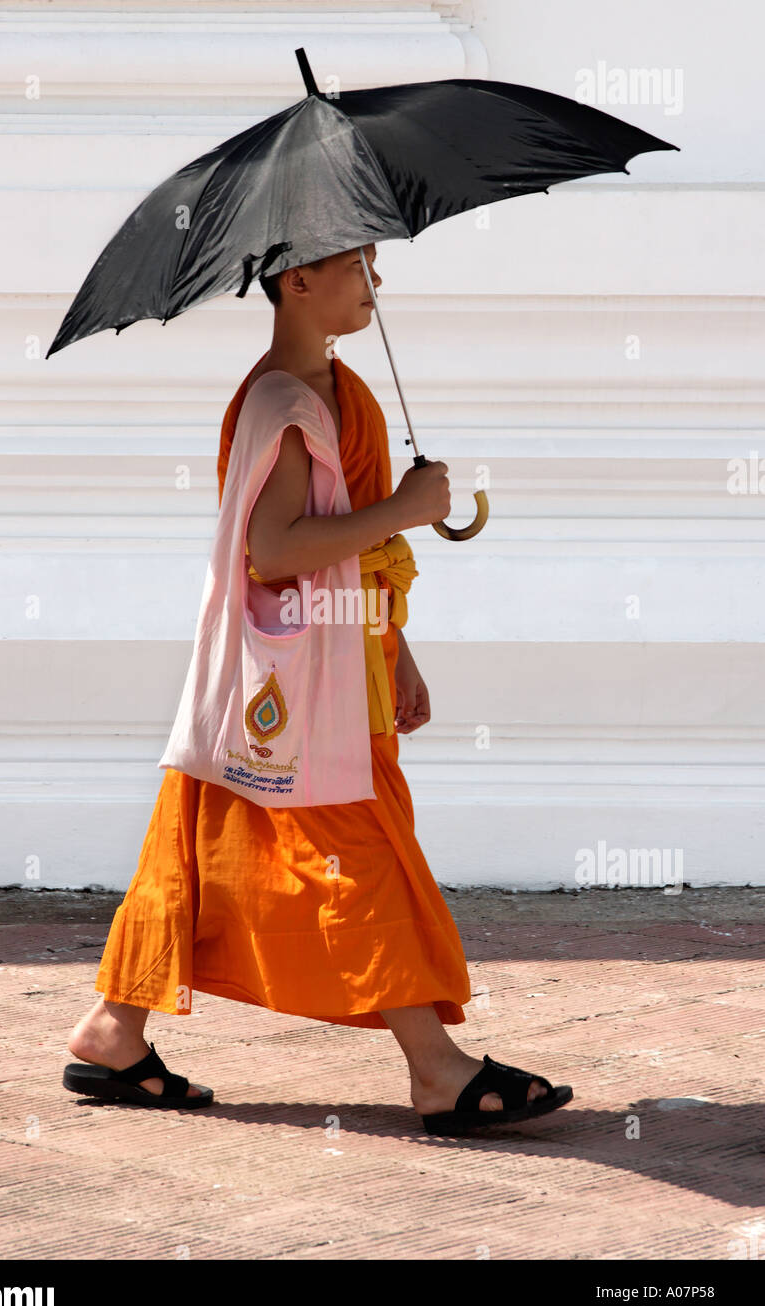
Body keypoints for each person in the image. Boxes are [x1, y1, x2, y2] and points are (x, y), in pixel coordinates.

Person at [63, 243, 571, 1132]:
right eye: (358, 262)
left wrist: (395, 645)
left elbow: (351, 551)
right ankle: (437, 1070)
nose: (377, 279)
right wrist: (410, 510)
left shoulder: (344, 393)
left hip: (321, 666)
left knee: (195, 838)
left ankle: (114, 1029)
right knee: (360, 851)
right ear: (299, 281)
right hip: (293, 684)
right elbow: (278, 550)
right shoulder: (286, 404)